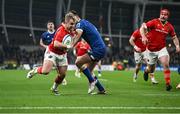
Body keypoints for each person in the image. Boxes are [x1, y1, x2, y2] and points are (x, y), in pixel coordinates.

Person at [26, 13, 76, 95]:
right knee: (45, 71)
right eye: (71, 24)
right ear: (66, 23)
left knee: (62, 75)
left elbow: (73, 39)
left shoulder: (72, 31)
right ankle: (35, 70)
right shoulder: (61, 30)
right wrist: (68, 46)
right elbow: (56, 44)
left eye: (74, 24)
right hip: (52, 51)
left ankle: (54, 88)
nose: (73, 26)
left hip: (62, 54)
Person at [140, 9, 180, 91]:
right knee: (151, 69)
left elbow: (174, 37)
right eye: (162, 14)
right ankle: (146, 71)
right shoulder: (154, 22)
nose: (163, 15)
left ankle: (168, 84)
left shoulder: (169, 26)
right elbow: (142, 27)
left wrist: (177, 45)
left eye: (165, 14)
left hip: (162, 48)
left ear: (167, 16)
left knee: (165, 64)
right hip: (151, 50)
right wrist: (143, 37)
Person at [69, 10, 106, 94]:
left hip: (98, 49)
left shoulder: (80, 24)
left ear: (75, 16)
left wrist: (71, 45)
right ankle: (101, 89)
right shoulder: (85, 22)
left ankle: (92, 82)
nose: (71, 20)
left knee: (78, 62)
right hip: (100, 48)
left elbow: (78, 35)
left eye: (71, 17)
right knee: (90, 71)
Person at [39, 20, 67, 85]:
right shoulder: (44, 34)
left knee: (58, 65)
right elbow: (41, 42)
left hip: (59, 50)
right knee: (50, 69)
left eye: (51, 24)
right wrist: (46, 46)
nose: (50, 25)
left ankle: (61, 78)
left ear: (54, 25)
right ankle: (61, 78)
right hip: (49, 51)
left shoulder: (57, 32)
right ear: (47, 26)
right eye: (49, 24)